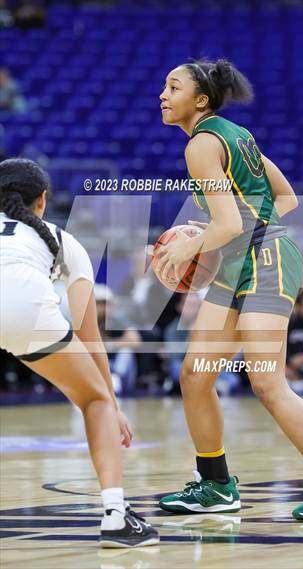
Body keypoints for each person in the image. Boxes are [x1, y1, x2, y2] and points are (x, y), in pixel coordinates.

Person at [154, 58, 303, 520]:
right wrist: (219, 235)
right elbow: (285, 198)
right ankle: (215, 485)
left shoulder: (201, 144)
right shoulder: (238, 137)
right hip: (243, 259)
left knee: (267, 382)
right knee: (195, 376)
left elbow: (232, 221)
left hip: (265, 259)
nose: (163, 95)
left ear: (201, 100)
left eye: (173, 87)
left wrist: (194, 241)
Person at [0, 158, 158, 547]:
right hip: (24, 313)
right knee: (93, 400)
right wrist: (109, 400)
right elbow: (91, 338)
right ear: (42, 201)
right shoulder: (61, 239)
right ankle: (116, 516)